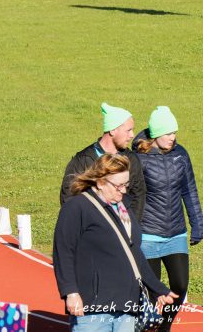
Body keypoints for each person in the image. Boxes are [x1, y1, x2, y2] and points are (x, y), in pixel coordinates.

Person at [53, 154, 178, 330]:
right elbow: (63, 252)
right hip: (94, 306)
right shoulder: (77, 207)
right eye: (118, 185)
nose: (124, 191)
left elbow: (134, 253)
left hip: (127, 304)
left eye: (126, 185)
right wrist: (71, 292)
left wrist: (157, 288)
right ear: (100, 182)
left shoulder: (124, 209)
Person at [134, 107, 203, 330]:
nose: (173, 137)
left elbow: (189, 190)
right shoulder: (138, 158)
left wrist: (197, 224)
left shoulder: (181, 154)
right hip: (148, 235)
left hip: (176, 233)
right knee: (152, 292)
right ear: (156, 134)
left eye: (174, 132)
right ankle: (146, 325)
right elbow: (131, 196)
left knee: (180, 285)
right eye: (168, 133)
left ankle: (164, 326)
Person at [61, 103, 147, 220]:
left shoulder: (131, 159)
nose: (132, 135)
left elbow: (138, 195)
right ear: (113, 130)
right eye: (128, 130)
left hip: (122, 227)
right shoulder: (83, 160)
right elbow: (69, 196)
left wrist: (130, 225)